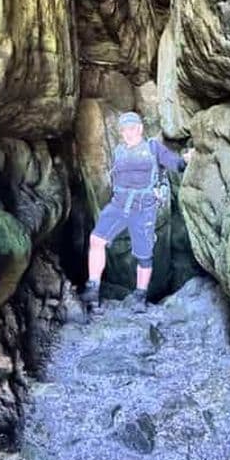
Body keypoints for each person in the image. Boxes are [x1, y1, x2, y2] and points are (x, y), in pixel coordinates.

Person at [80, 111, 194, 314]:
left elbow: (175, 164)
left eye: (131, 129)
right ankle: (93, 289)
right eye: (124, 130)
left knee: (144, 255)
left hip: (143, 207)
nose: (128, 133)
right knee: (96, 239)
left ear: (140, 129)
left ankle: (140, 297)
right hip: (119, 205)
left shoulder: (153, 148)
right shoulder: (119, 151)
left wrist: (186, 159)